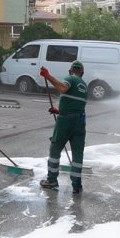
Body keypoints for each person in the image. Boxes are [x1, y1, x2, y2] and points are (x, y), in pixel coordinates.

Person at [38, 61, 88, 194]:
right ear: (82, 73)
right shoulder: (84, 85)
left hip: (66, 121)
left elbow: (63, 88)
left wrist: (48, 76)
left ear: (70, 71)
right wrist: (59, 111)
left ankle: (52, 180)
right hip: (80, 122)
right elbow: (76, 105)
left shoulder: (71, 78)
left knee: (55, 149)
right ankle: (77, 185)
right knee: (78, 154)